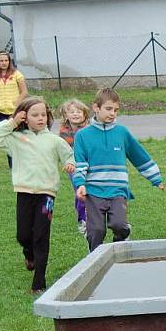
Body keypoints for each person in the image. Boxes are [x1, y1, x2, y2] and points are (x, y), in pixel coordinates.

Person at [0, 96, 75, 293]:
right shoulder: (15, 139)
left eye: (44, 114)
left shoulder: (54, 141)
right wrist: (12, 122)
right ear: (25, 117)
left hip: (47, 195)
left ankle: (39, 282)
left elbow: (70, 156)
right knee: (24, 235)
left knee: (41, 235)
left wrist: (70, 164)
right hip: (24, 193)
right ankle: (30, 255)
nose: (40, 118)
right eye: (35, 115)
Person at [73, 88, 164, 251]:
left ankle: (121, 243)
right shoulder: (82, 135)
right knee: (96, 230)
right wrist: (80, 184)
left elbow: (139, 156)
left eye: (116, 110)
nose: (113, 113)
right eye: (108, 109)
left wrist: (155, 178)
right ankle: (94, 261)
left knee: (119, 225)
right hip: (93, 191)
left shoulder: (122, 132)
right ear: (96, 107)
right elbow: (80, 163)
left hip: (118, 190)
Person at [0, 50, 28, 169]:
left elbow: (24, 92)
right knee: (7, 136)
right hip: (0, 111)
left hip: (14, 111)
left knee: (17, 136)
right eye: (1, 61)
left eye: (6, 60)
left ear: (9, 62)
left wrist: (16, 104)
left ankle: (22, 161)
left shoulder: (17, 74)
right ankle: (11, 163)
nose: (3, 63)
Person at [58, 99, 91, 234]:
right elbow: (63, 151)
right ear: (66, 116)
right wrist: (67, 163)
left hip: (89, 165)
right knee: (79, 192)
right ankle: (83, 219)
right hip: (73, 167)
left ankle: (91, 217)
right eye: (72, 112)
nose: (76, 114)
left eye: (79, 111)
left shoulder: (89, 129)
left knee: (90, 192)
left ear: (85, 115)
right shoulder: (63, 132)